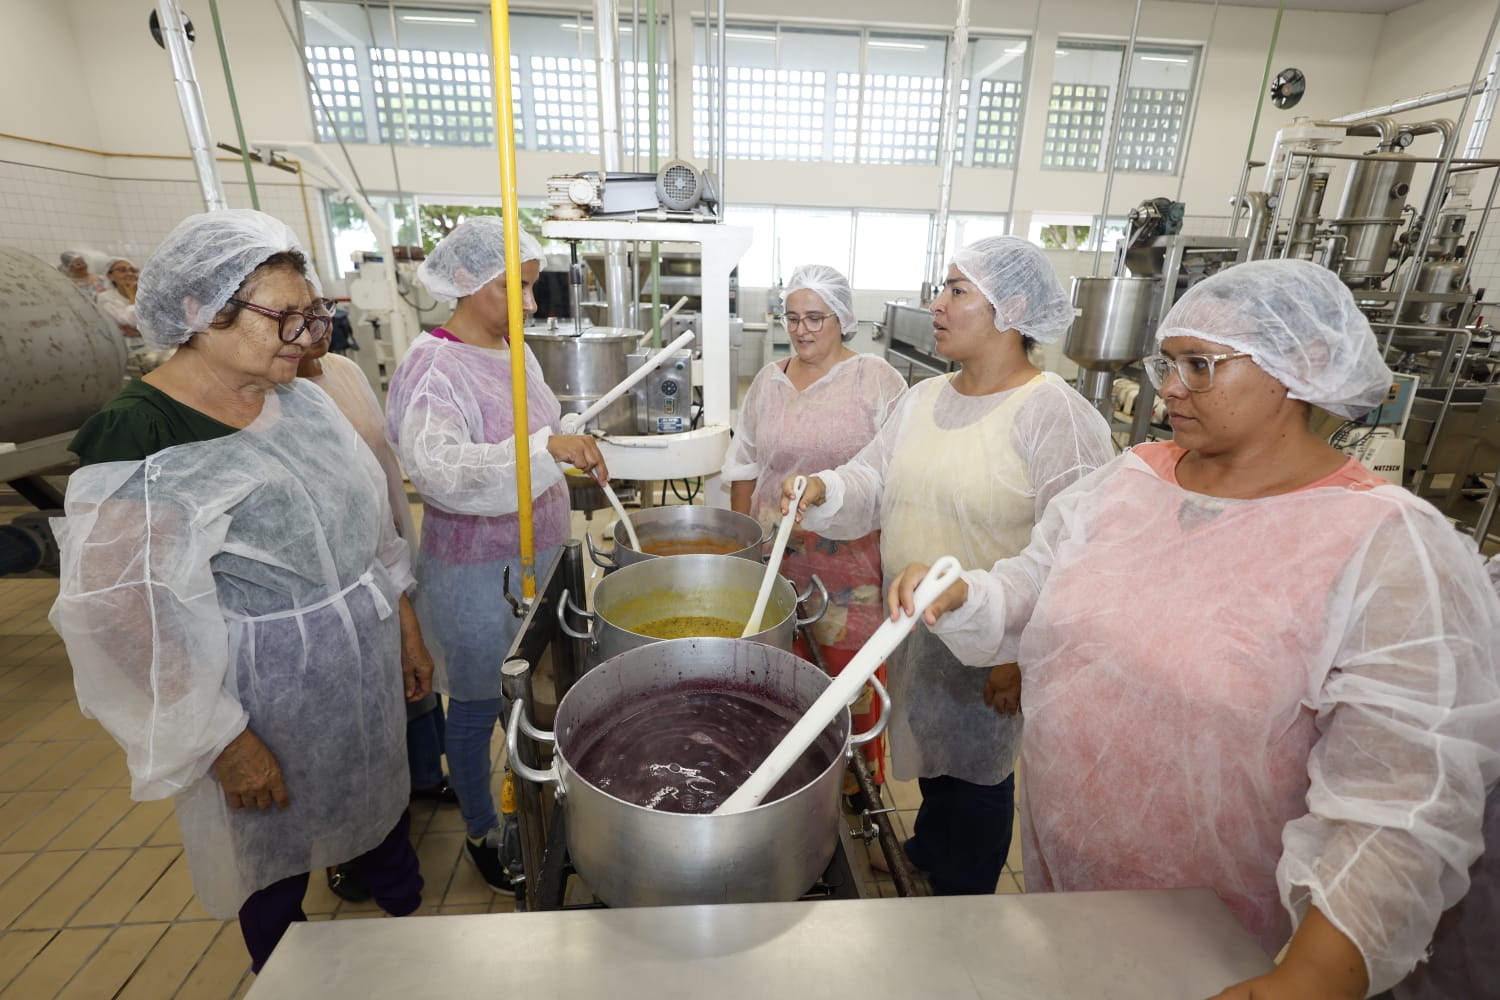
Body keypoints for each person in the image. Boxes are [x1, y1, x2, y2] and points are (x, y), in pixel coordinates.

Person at [889, 259, 1500, 998]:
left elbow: (1399, 804)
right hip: (1066, 890)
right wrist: (967, 594)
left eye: (1200, 366)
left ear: (1297, 368)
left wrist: (1308, 977)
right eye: (1168, 363)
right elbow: (1036, 584)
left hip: (1232, 944)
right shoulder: (1131, 480)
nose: (1169, 388)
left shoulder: (1391, 548)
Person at [48, 210, 430, 972]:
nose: (305, 335)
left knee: (384, 814)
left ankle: (419, 952)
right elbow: (125, 616)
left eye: (309, 314)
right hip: (257, 695)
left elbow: (369, 529)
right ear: (198, 311)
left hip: (359, 661)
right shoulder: (141, 431)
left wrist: (405, 627)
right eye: (282, 317)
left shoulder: (300, 397)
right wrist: (220, 740)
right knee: (273, 858)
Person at [782, 236, 1115, 894]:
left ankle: (964, 906)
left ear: (1011, 308)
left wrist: (1020, 656)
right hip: (914, 630)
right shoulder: (922, 399)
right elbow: (873, 481)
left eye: (957, 291)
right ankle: (928, 849)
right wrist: (825, 489)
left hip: (994, 646)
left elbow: (1080, 552)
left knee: (979, 779)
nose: (936, 304)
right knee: (934, 758)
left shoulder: (1055, 417)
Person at [385, 216, 607, 892]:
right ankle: (483, 826)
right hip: (477, 570)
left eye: (534, 288)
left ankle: (531, 797)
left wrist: (565, 437)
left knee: (530, 694)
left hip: (538, 553)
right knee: (479, 704)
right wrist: (545, 450)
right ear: (467, 282)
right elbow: (444, 473)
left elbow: (533, 430)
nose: (532, 306)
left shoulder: (517, 350)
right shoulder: (432, 365)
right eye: (519, 289)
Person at [293, 306, 455, 904]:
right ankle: (345, 847)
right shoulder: (274, 394)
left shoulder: (342, 372)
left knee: (409, 679)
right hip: (324, 585)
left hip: (383, 551)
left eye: (319, 311)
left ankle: (421, 779)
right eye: (299, 315)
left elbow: (380, 456)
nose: (318, 327)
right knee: (341, 725)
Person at [722, 263, 906, 787]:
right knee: (781, 672)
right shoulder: (768, 382)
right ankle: (793, 782)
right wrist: (741, 551)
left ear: (843, 319)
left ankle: (861, 790)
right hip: (775, 555)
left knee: (852, 677)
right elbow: (745, 464)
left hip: (849, 561)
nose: (801, 330)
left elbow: (896, 468)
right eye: (793, 318)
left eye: (815, 318)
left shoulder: (876, 379)